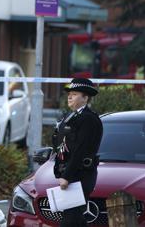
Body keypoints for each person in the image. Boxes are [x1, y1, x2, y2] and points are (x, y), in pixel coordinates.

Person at [52, 78, 103, 227]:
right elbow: (62, 145)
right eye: (69, 94)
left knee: (71, 220)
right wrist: (59, 170)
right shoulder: (70, 117)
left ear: (85, 97)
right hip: (70, 174)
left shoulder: (89, 119)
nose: (69, 96)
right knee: (75, 220)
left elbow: (80, 150)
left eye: (74, 94)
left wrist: (66, 176)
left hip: (80, 175)